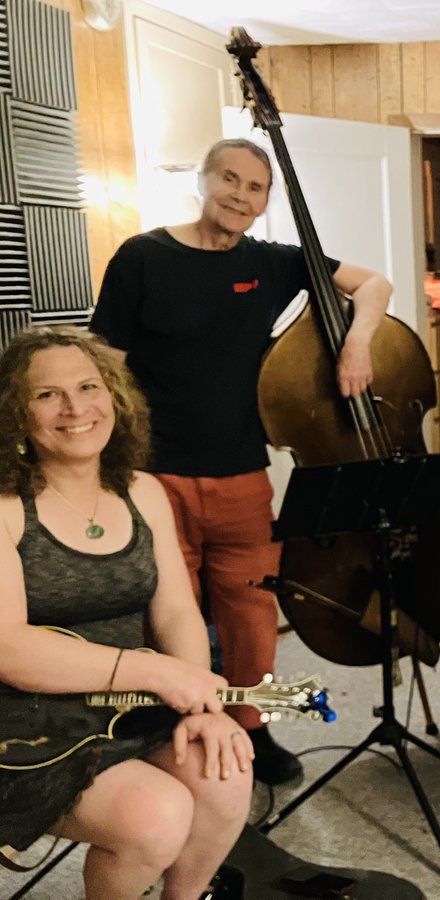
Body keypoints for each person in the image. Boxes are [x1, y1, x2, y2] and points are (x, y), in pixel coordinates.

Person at [91, 138, 392, 784]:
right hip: (153, 477)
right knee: (165, 612)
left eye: (255, 188)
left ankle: (253, 730)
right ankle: (180, 728)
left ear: (264, 203)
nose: (240, 195)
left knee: (252, 612)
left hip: (241, 475)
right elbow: (106, 367)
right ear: (204, 181)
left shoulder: (273, 263)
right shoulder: (142, 258)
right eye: (229, 179)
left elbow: (374, 283)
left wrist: (357, 342)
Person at [0, 326, 252, 899]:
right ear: (16, 415)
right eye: (47, 395)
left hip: (128, 706)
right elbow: (8, 648)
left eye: (89, 386)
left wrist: (203, 704)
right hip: (24, 721)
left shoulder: (143, 491)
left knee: (226, 774)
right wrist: (157, 673)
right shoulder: (6, 507)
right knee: (154, 818)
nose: (75, 408)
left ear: (113, 396)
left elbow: (177, 614)